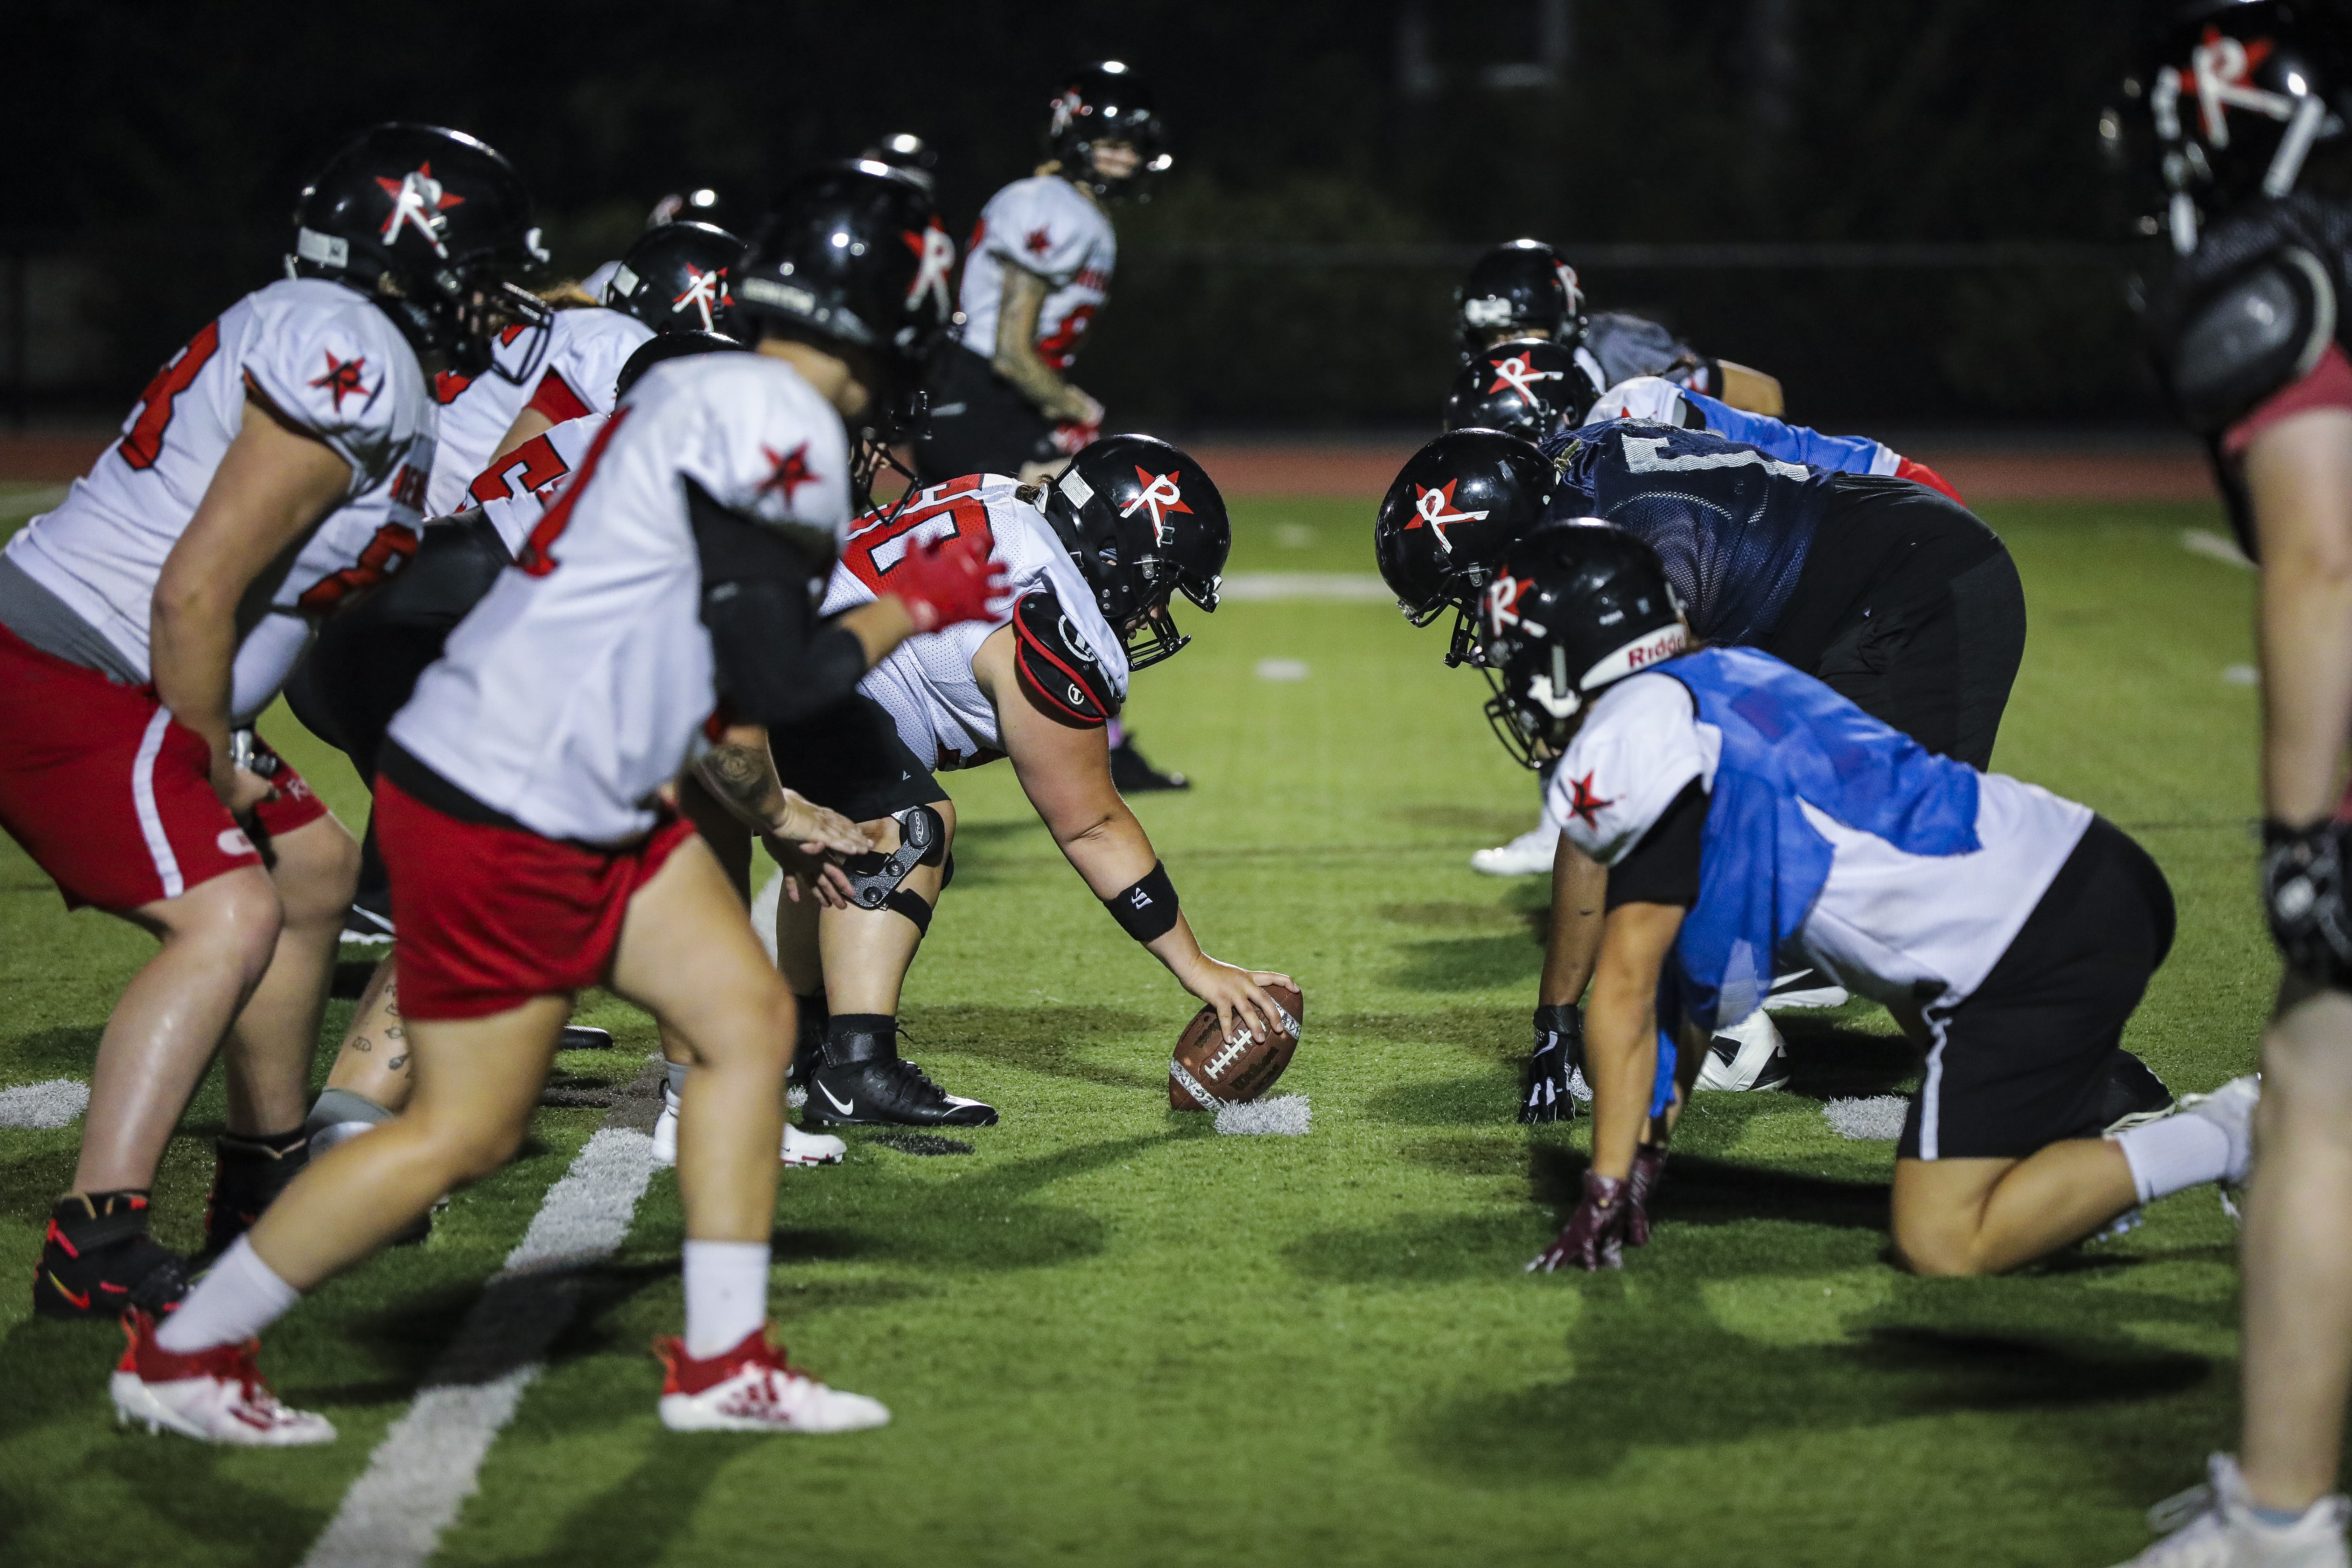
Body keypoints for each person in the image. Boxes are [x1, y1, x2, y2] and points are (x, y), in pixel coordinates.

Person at [106, 161, 1006, 1443]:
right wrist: (923, 596)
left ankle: (722, 1361)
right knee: (463, 1134)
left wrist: (782, 813)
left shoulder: (712, 390)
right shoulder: (780, 427)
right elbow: (768, 674)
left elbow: (682, 649)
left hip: (563, 775)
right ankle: (186, 1350)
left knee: (744, 1022)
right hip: (512, 798)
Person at [0, 124, 548, 1317]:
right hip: (74, 659)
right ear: (425, 262)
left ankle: (263, 1182)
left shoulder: (350, 342)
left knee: (312, 869)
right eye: (485, 266)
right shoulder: (353, 350)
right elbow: (200, 585)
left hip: (128, 657)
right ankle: (95, 1249)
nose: (496, 298)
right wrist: (204, 753)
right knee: (228, 914)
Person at [1478, 522, 2256, 1282]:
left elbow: (1626, 986)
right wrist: (1644, 1152)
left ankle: (2228, 1131)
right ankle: (2065, 1167)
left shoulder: (1639, 735)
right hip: (2072, 869)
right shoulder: (1721, 678)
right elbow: (1688, 987)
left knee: (1943, 1240)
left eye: (1515, 657)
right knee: (1925, 1023)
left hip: (2032, 937)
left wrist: (1609, 1181)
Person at [1375, 425, 2179, 1131]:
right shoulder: (1585, 488)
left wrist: (1563, 1015)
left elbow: (1613, 791)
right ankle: (1750, 1011)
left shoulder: (1635, 547)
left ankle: (2085, 1077)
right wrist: (1561, 1012)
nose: (1476, 630)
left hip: (1912, 596)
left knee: (1886, 871)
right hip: (1864, 597)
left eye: (1466, 595)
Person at [291, 331, 848, 1176]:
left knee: (529, 863)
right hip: (461, 644)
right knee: (525, 869)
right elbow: (723, 711)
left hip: (374, 630)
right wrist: (784, 812)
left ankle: (354, 1118)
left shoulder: (578, 442)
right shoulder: (700, 471)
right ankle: (365, 1138)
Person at [738, 434, 1294, 1132]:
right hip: (796, 670)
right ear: (1122, 561)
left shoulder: (1009, 498)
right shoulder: (1057, 615)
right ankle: (856, 1068)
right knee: (908, 830)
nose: (1155, 615)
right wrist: (1196, 964)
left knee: (855, 822)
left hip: (768, 640)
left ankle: (796, 1032)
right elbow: (1090, 824)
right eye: (1159, 590)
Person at [2116, 3, 2352, 1561]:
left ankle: (2274, 1517)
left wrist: (2292, 829)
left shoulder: (2271, 285)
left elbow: (2316, 556)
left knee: (2320, 1097)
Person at [917, 59, 1189, 794]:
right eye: (1112, 140)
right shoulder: (1046, 204)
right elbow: (1012, 345)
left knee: (1061, 573)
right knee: (1063, 569)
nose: (1127, 157)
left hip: (1001, 406)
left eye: (1134, 144)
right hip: (985, 404)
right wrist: (1073, 405)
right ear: (1074, 134)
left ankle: (1103, 740)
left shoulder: (1068, 207)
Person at [1455, 238, 1787, 416]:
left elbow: (1761, 396)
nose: (1504, 352)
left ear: (1563, 320)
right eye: (1490, 337)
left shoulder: (1617, 351)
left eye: (1518, 334)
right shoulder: (1480, 394)